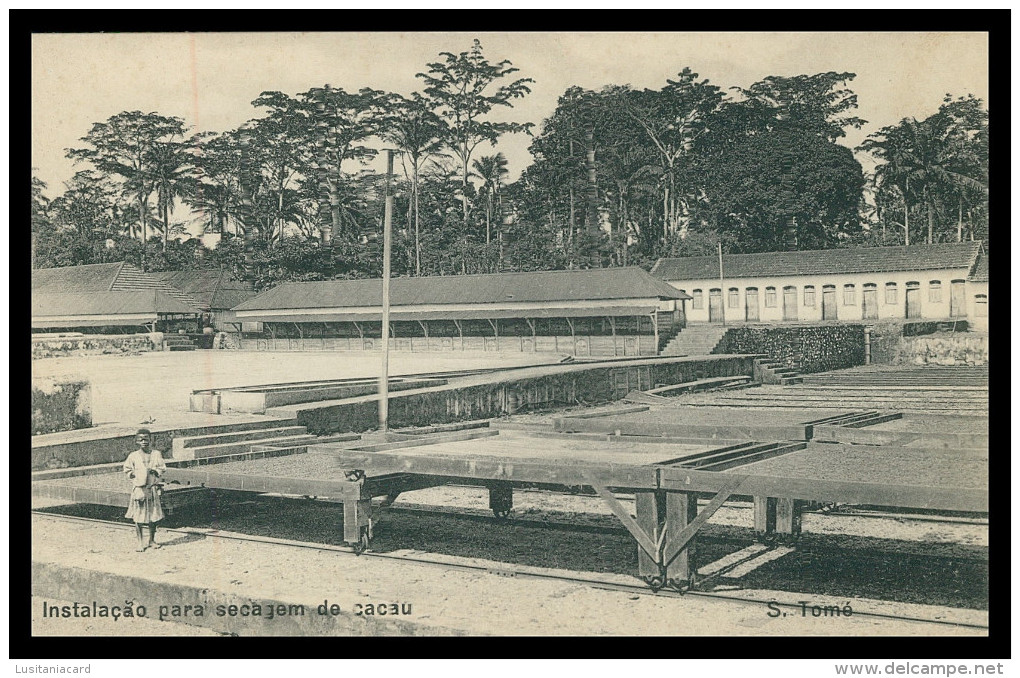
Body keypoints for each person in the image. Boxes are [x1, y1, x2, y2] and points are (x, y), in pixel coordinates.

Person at [123, 428, 167, 552]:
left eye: (146, 439)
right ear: (137, 441)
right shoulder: (133, 456)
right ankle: (140, 542)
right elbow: (127, 469)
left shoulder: (156, 454)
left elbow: (162, 467)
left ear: (150, 440)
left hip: (151, 488)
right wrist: (134, 475)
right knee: (139, 517)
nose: (144, 442)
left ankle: (151, 540)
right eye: (141, 440)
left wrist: (155, 471)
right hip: (140, 489)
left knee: (153, 516)